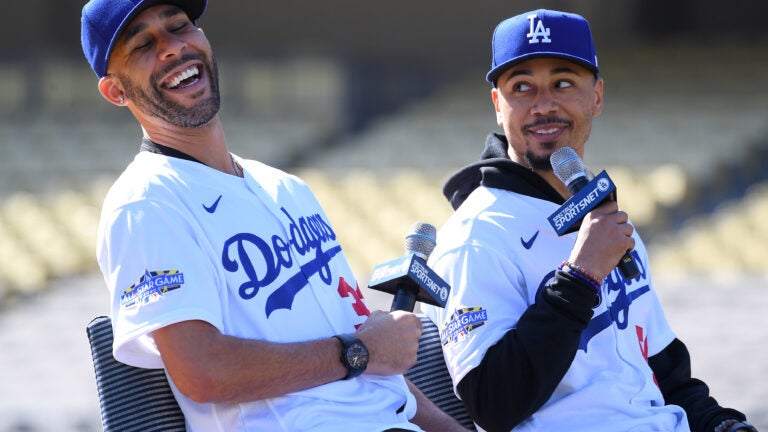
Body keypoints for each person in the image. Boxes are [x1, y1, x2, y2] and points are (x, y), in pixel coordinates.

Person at [80, 0, 468, 430]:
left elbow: (371, 362)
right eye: (143, 45)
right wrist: (356, 351)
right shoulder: (146, 203)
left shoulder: (286, 187)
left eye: (180, 26)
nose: (172, 48)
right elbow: (204, 373)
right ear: (116, 90)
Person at [422, 9, 759, 432]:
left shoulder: (606, 218)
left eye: (563, 84)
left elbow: (666, 374)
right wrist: (580, 277)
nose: (543, 106)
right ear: (497, 105)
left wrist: (721, 425)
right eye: (521, 88)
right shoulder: (475, 237)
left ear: (596, 96)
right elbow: (493, 403)